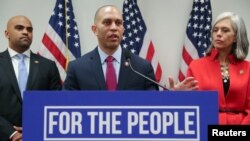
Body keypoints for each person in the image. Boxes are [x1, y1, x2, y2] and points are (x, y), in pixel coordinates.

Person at [64, 5, 198, 91]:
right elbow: (66, 106)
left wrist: (173, 97)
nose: (113, 27)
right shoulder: (77, 68)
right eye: (107, 22)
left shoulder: (142, 67)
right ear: (95, 29)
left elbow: (154, 106)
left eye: (118, 23)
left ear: (123, 29)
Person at [0, 15, 62, 141]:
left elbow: (56, 104)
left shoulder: (48, 66)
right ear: (7, 34)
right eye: (19, 28)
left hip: (39, 135)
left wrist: (35, 127)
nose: (25, 32)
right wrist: (11, 133)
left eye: (29, 29)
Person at [187, 12, 250, 125]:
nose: (218, 34)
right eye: (215, 30)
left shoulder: (248, 68)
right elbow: (190, 105)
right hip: (205, 126)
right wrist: (177, 95)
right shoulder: (196, 66)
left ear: (236, 37)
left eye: (225, 30)